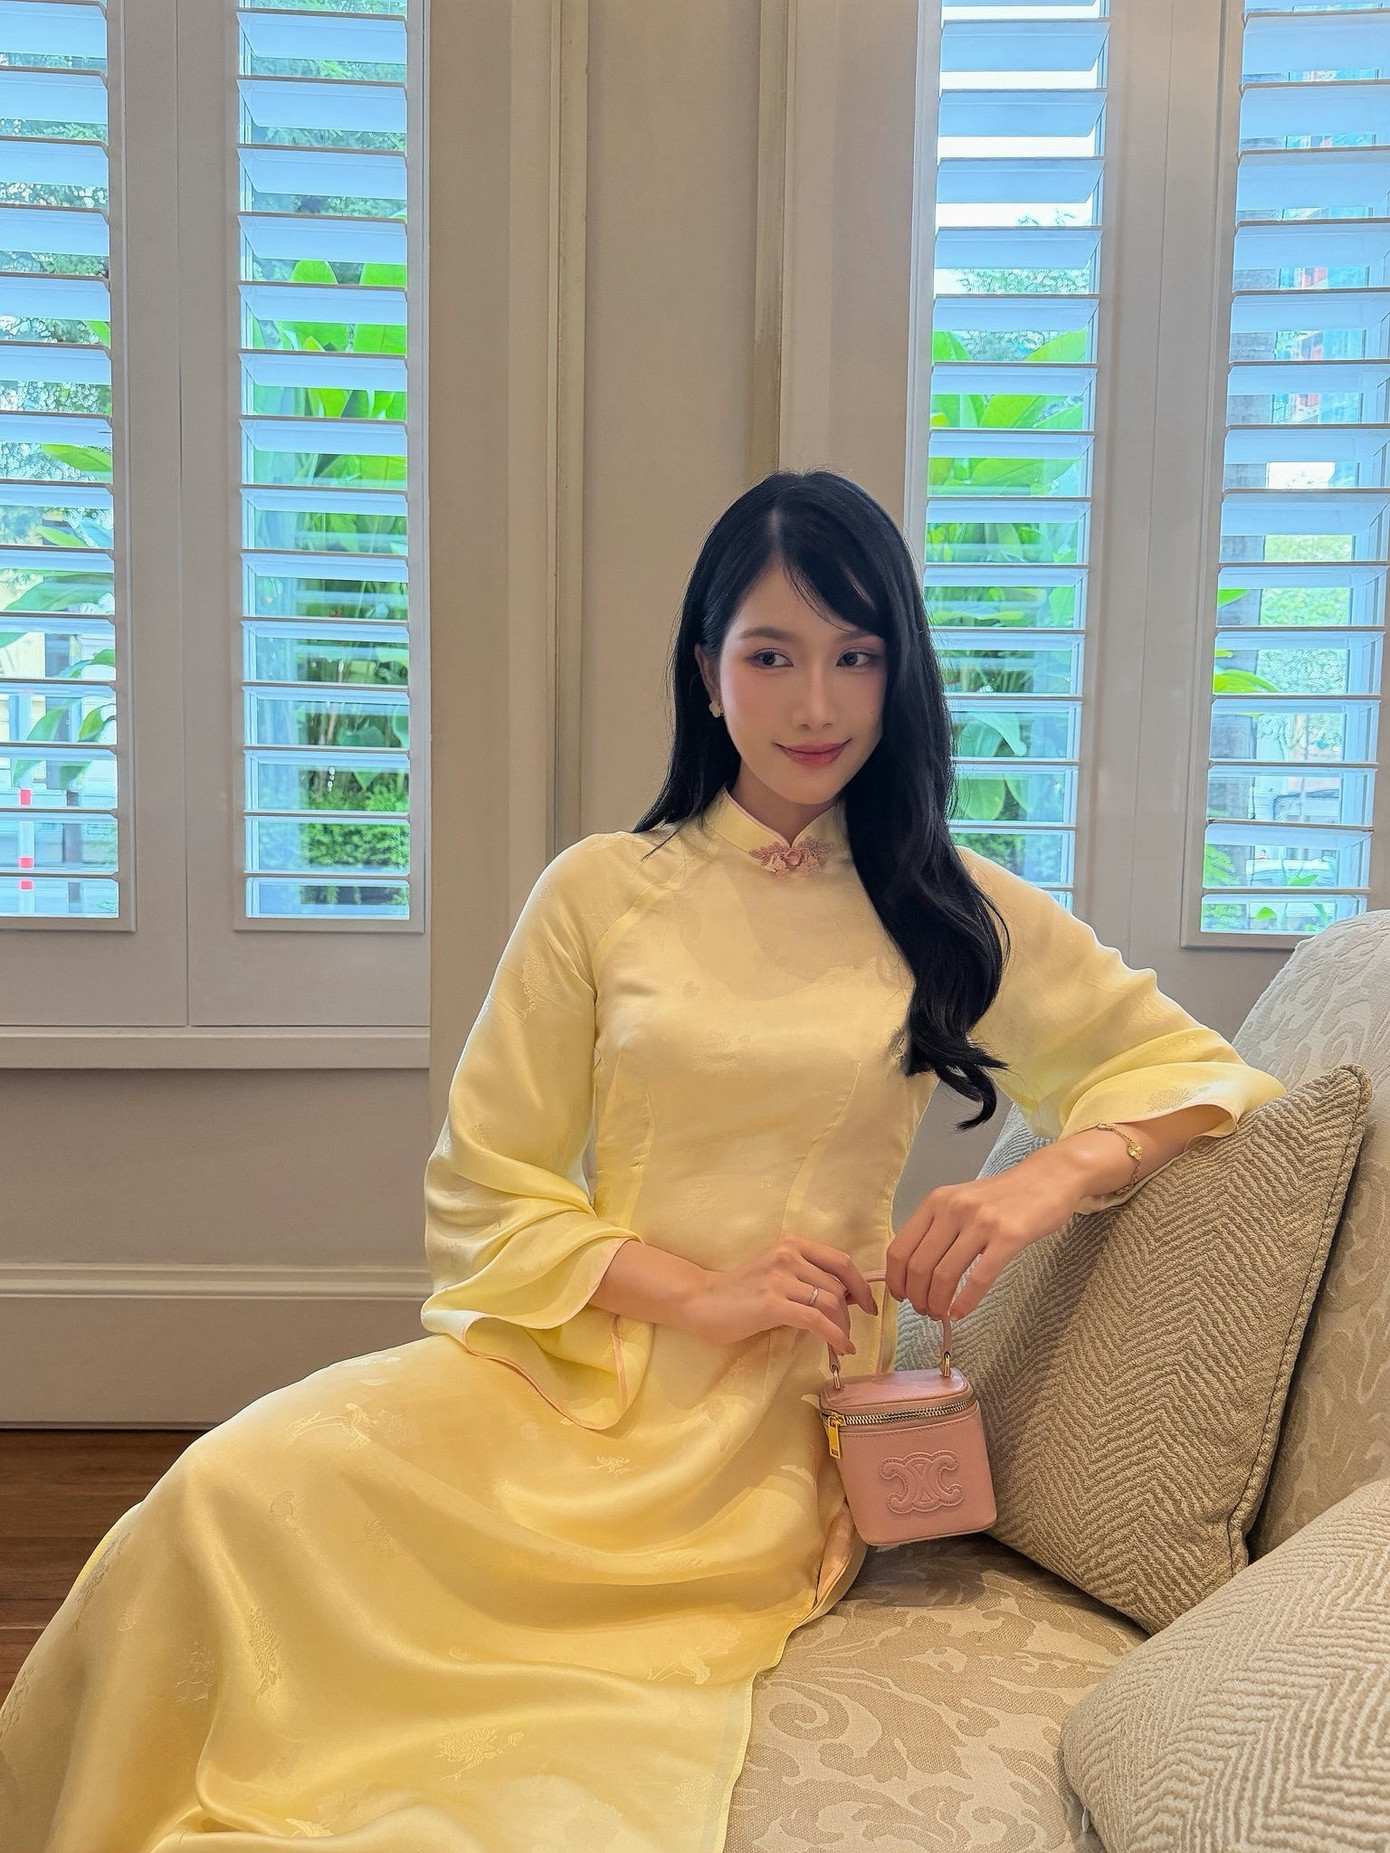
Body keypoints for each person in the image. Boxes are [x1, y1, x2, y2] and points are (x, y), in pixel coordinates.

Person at [0, 469, 1284, 1851]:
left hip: (762, 1445)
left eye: (855, 656)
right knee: (222, 1491)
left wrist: (1041, 1178)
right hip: (571, 1369)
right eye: (771, 655)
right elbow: (485, 1182)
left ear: (900, 672)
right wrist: (699, 1291)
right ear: (705, 671)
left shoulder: (944, 905)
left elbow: (1201, 1071)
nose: (816, 704)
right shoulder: (599, 892)